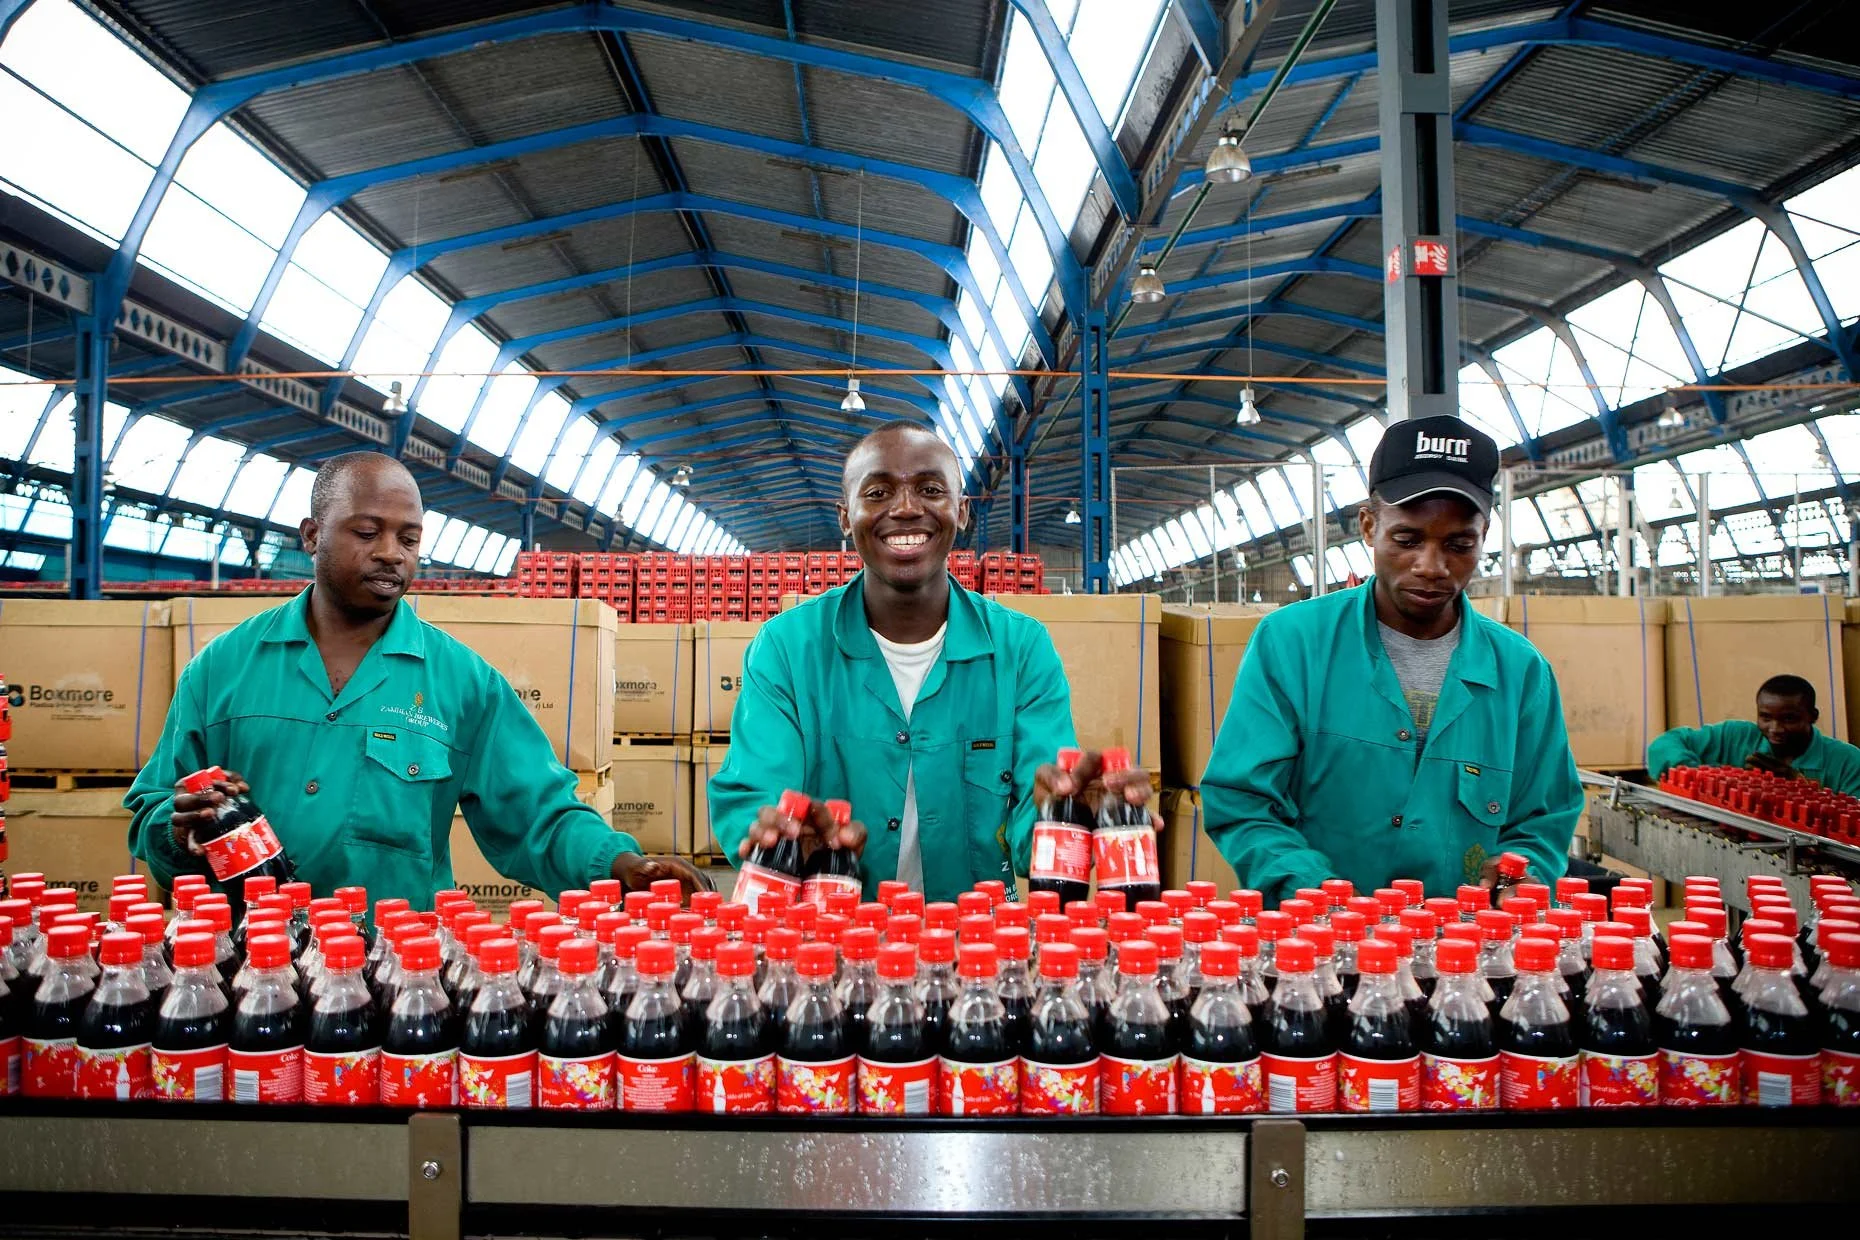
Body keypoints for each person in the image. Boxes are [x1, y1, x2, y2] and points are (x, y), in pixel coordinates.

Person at [125, 451, 701, 906]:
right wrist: (174, 831)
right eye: (366, 532)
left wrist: (618, 865)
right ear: (311, 534)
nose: (390, 554)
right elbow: (156, 807)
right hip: (249, 965)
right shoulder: (222, 670)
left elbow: (537, 811)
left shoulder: (462, 682)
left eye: (408, 538)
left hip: (395, 972)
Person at [706, 420, 1156, 902]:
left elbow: (1034, 808)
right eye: (877, 492)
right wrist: (780, 836)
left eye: (930, 489)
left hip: (978, 946)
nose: (905, 508)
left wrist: (1063, 815)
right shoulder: (787, 649)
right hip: (829, 937)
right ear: (845, 517)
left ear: (961, 512)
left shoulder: (1021, 650)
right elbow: (753, 795)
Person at [1200, 415, 1582, 902]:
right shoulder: (1293, 644)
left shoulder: (1521, 673)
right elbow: (1244, 800)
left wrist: (1517, 876)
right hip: (1318, 950)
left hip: (1466, 957)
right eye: (1407, 540)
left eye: (1459, 545)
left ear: (1484, 535)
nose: (1432, 566)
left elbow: (1543, 818)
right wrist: (1317, 896)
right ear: (1368, 526)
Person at [1647, 674, 1860, 795]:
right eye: (1766, 717)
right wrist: (1700, 773)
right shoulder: (1735, 736)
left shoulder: (1848, 761)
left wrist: (1798, 786)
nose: (1775, 728)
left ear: (1812, 716)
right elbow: (1664, 744)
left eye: (1789, 719)